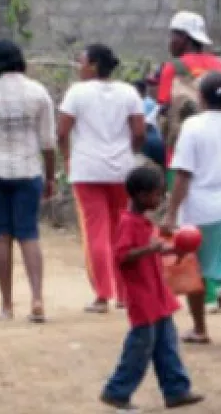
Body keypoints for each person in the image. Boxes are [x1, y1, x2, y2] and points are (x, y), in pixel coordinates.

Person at [161, 71, 221, 346]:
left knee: (196, 270)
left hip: (200, 208)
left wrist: (170, 214)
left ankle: (200, 327)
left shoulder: (192, 126)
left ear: (201, 98)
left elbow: (183, 175)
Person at [0, 38, 57, 323]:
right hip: (29, 170)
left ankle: (6, 305)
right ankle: (37, 299)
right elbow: (48, 143)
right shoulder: (38, 92)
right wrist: (50, 177)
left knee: (2, 235)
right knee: (29, 235)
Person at [99, 164, 204, 411]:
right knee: (139, 347)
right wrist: (151, 249)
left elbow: (154, 250)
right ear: (141, 195)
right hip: (142, 297)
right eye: (157, 194)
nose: (161, 198)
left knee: (167, 344)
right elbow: (122, 256)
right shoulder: (128, 223)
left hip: (157, 295)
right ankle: (117, 391)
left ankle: (176, 390)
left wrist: (176, 249)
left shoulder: (144, 222)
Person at [59, 44, 146, 314]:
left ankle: (102, 294)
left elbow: (62, 132)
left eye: (82, 62)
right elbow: (140, 131)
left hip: (87, 168)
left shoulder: (77, 93)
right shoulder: (129, 92)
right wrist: (129, 153)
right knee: (121, 229)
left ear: (94, 65)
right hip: (122, 169)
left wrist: (68, 158)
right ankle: (123, 293)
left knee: (95, 231)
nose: (79, 66)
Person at [157, 12, 221, 157]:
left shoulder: (173, 68)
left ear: (184, 38)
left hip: (181, 156)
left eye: (173, 35)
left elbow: (164, 113)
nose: (170, 41)